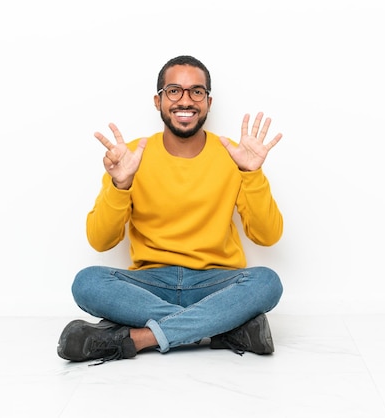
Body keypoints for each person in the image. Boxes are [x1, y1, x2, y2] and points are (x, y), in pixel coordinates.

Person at [57, 55, 284, 365]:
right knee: (87, 282)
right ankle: (223, 328)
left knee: (267, 282)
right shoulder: (131, 156)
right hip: (151, 285)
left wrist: (251, 174)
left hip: (214, 284)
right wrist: (120, 185)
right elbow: (100, 241)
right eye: (174, 90)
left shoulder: (235, 155)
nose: (185, 100)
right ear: (158, 100)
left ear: (208, 101)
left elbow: (268, 236)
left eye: (196, 91)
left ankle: (139, 339)